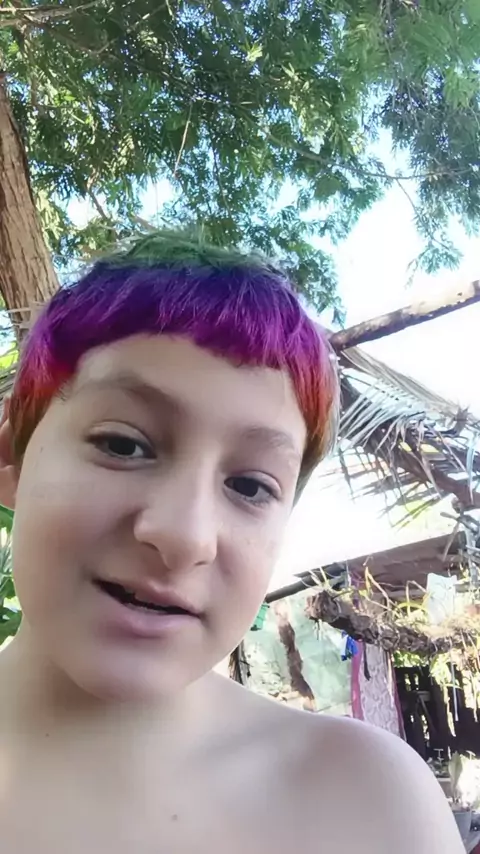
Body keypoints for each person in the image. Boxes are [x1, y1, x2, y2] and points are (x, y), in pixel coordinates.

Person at [0, 231, 462, 853]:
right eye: (122, 444)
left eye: (249, 485)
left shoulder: (370, 804)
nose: (184, 535)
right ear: (12, 455)